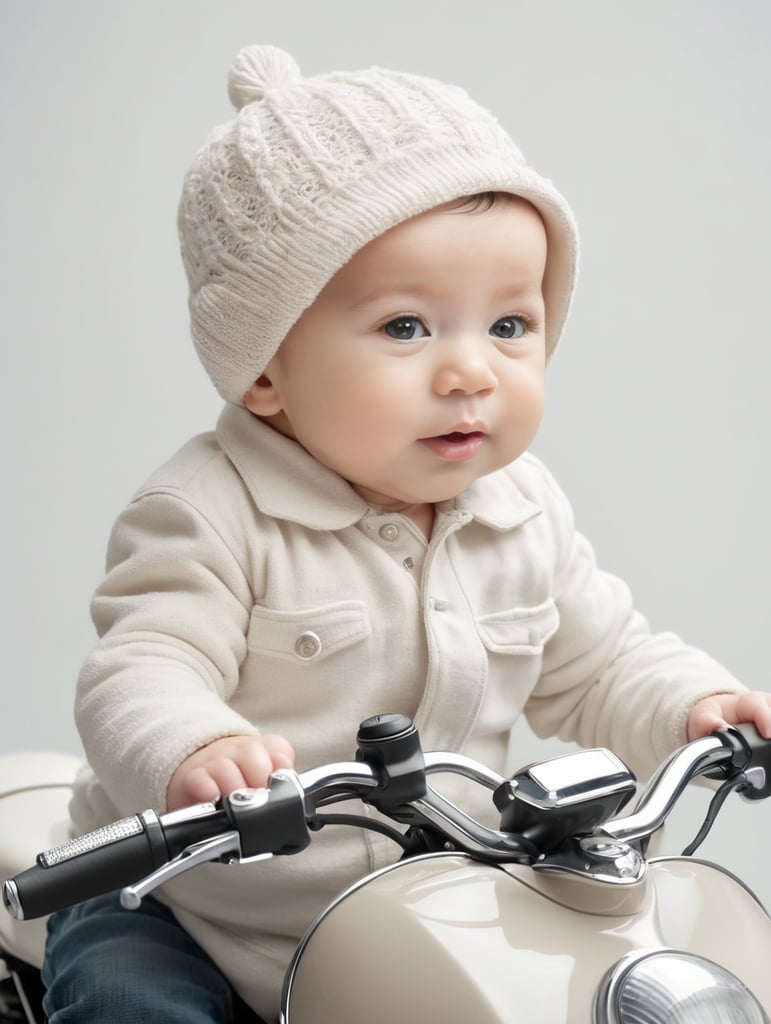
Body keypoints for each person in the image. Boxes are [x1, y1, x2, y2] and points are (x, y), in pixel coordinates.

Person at [41, 44, 771, 1023]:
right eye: (406, 328)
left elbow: (601, 665)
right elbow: (141, 665)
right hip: (190, 901)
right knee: (139, 1006)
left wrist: (699, 708)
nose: (471, 371)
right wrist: (195, 748)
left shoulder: (523, 508)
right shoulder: (208, 508)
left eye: (509, 325)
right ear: (265, 368)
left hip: (434, 904)